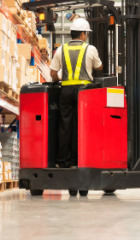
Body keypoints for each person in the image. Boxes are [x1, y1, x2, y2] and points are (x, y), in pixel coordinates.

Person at [48, 17, 103, 168]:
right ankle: (78, 160)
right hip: (84, 93)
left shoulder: (61, 49)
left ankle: (62, 161)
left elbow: (52, 73)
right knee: (81, 126)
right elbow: (99, 66)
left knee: (65, 126)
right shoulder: (90, 49)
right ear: (83, 35)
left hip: (65, 91)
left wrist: (58, 78)